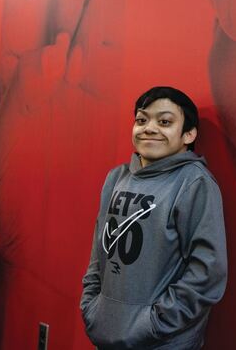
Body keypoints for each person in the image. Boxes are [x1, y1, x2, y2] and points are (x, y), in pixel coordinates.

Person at [80, 86, 227, 349]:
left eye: (165, 122)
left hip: (163, 341)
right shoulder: (117, 178)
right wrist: (92, 305)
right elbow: (99, 250)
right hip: (106, 333)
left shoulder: (194, 183)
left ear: (188, 134)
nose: (149, 128)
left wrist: (155, 322)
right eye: (142, 119)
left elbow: (207, 272)